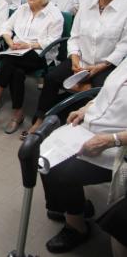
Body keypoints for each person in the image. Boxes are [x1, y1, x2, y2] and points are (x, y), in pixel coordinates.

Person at [24, 0, 127, 139]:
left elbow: (124, 45)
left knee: (97, 91)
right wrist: (74, 58)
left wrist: (100, 66)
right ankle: (40, 120)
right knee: (52, 78)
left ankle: (72, 127)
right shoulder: (87, 4)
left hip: (107, 65)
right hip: (80, 61)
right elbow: (75, 36)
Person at [40, 56, 127, 253]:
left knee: (63, 170)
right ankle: (73, 206)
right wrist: (85, 108)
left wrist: (110, 140)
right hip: (92, 127)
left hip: (118, 144)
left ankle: (76, 227)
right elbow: (107, 92)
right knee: (45, 152)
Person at [0, 0, 63, 134]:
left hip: (39, 54)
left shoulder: (54, 14)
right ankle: (17, 114)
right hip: (17, 52)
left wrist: (28, 45)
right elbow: (6, 27)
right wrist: (10, 41)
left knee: (8, 60)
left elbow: (53, 41)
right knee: (16, 72)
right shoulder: (22, 9)